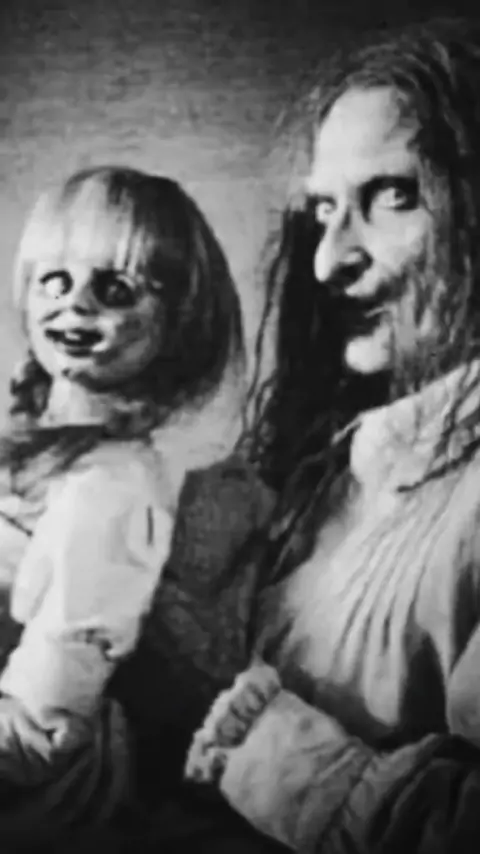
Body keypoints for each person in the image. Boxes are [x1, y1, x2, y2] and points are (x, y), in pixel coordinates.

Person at [173, 16, 480, 854]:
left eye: (394, 195)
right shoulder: (331, 469)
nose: (326, 260)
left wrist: (259, 745)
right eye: (323, 209)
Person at [0, 164, 245, 848]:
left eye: (114, 289)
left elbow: (44, 727)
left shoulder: (113, 487)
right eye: (55, 281)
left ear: (176, 320)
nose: (74, 307)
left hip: (36, 793)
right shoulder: (42, 450)